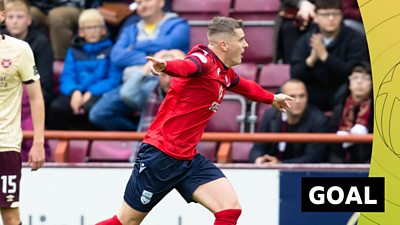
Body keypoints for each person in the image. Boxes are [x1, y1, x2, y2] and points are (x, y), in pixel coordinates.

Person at [96, 16, 293, 225]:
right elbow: (186, 66)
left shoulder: (222, 71)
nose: (246, 45)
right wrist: (166, 66)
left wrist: (272, 98)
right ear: (224, 45)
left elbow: (244, 85)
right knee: (126, 221)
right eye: (241, 39)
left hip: (187, 158)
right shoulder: (204, 60)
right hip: (161, 156)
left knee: (229, 208)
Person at [0, 0, 45, 224]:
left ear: (1, 16)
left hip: (5, 144)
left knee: (9, 214)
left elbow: (36, 97)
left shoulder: (19, 49)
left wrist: (38, 142)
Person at [48, 9, 122, 130]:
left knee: (92, 108)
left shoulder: (112, 50)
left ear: (103, 30)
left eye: (96, 27)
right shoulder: (73, 51)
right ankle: (69, 141)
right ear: (81, 32)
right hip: (77, 91)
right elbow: (67, 77)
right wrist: (75, 92)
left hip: (100, 93)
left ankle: (92, 144)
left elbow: (114, 79)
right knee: (57, 107)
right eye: (88, 28)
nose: (92, 32)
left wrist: (92, 92)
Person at [290, 0, 369, 111]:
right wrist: (311, 60)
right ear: (316, 17)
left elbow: (355, 72)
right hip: (314, 94)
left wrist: (325, 57)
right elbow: (295, 74)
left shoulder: (354, 39)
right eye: (325, 14)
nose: (331, 18)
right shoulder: (306, 40)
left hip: (343, 92)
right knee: (286, 91)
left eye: (335, 14)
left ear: (341, 16)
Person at [89, 49, 184, 131]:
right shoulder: (149, 91)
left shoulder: (189, 93)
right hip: (148, 149)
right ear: (158, 75)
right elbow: (127, 92)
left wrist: (185, 66)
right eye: (163, 75)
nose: (168, 80)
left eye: (172, 75)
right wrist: (149, 65)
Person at [249, 79, 329, 164]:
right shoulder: (270, 115)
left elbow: (313, 158)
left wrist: (281, 164)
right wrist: (259, 159)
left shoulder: (319, 120)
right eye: (292, 96)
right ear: (281, 99)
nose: (298, 101)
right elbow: (257, 148)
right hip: (270, 169)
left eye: (302, 96)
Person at [2, 0, 54, 107]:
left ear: (29, 20)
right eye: (10, 17)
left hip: (32, 95)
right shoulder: (1, 40)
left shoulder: (41, 42)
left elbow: (45, 82)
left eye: (20, 17)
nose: (15, 21)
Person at [329, 61, 373, 163]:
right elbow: (332, 148)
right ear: (349, 84)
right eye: (355, 78)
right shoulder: (339, 110)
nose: (359, 82)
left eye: (365, 78)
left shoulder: (379, 110)